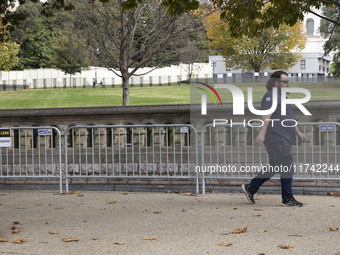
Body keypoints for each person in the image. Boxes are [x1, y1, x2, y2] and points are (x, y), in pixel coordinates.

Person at [242, 71, 306, 207]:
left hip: (284, 137)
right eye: (285, 82)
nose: (287, 84)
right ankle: (287, 198)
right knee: (287, 165)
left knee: (274, 166)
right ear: (276, 82)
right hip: (276, 137)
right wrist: (261, 134)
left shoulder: (282, 96)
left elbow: (288, 117)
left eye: (288, 82)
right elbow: (266, 116)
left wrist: (298, 132)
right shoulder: (271, 96)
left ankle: (251, 188)